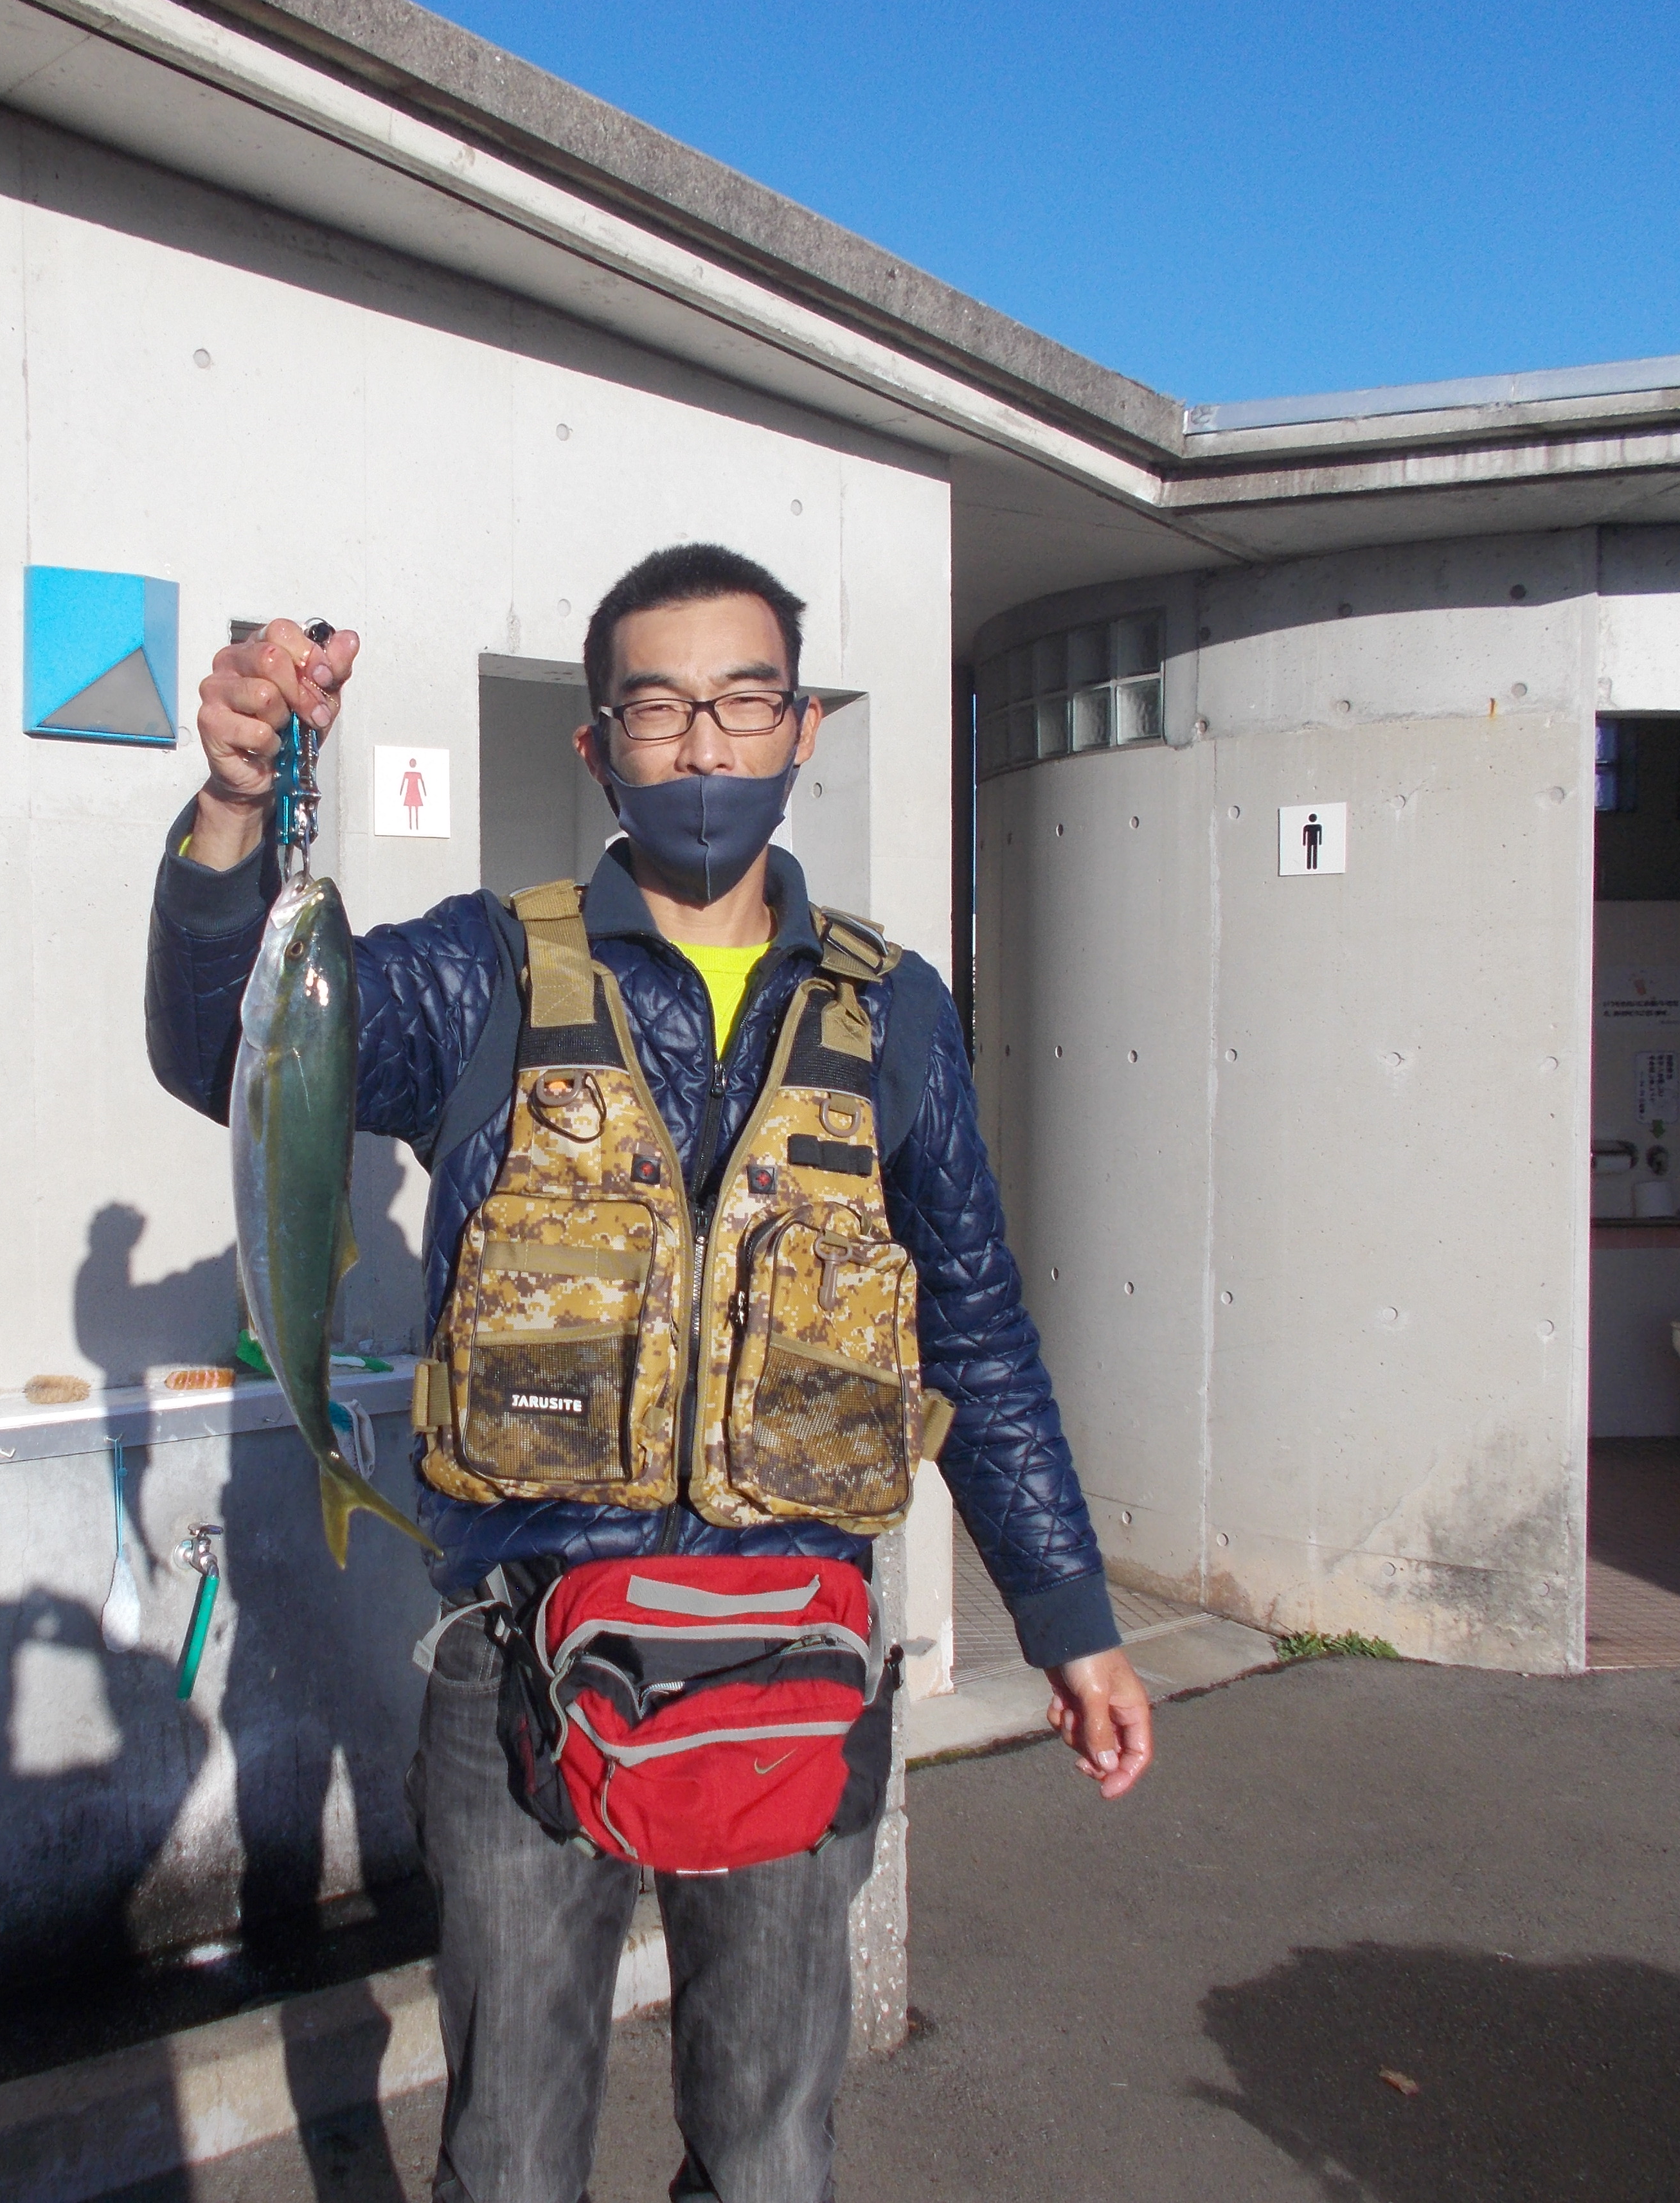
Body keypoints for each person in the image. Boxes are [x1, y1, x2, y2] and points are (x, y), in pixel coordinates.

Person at [147, 544, 1149, 2203]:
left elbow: (972, 1324)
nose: (702, 744)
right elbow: (231, 1051)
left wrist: (1071, 1617)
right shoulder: (480, 971)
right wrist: (238, 808)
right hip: (524, 1667)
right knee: (511, 2154)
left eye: (743, 702)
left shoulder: (895, 1012)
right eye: (659, 708)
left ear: (802, 727)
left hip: (797, 1669)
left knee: (767, 2152)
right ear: (596, 744)